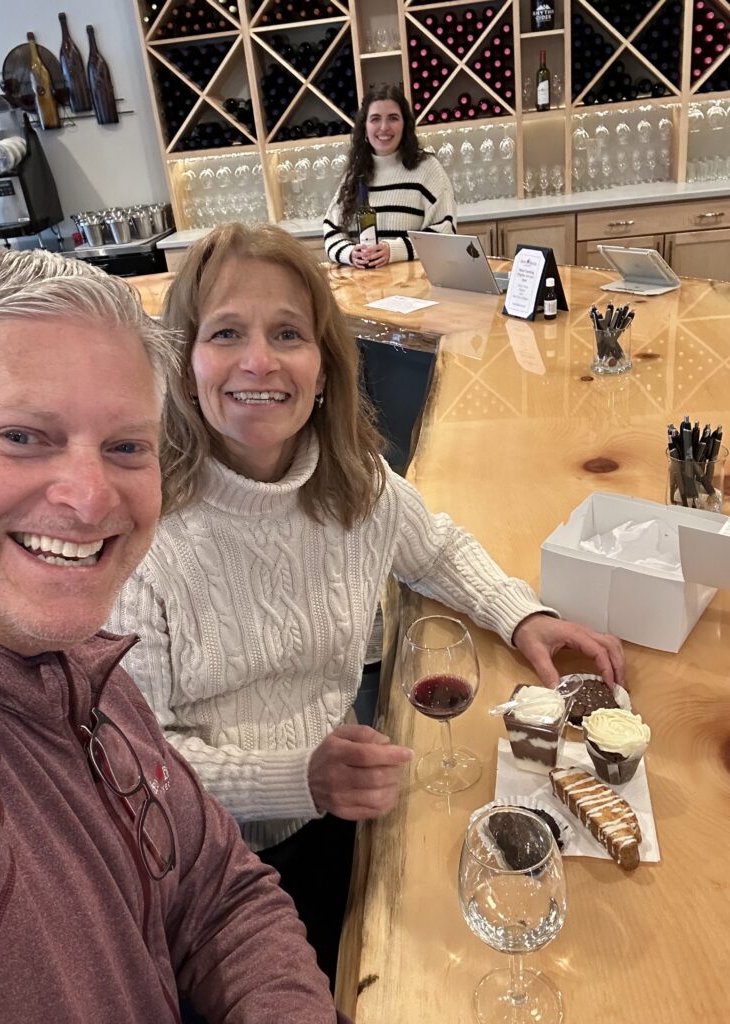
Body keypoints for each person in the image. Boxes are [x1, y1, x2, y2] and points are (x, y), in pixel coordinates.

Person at [108, 222, 625, 985]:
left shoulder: (352, 482)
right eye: (226, 333)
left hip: (347, 811)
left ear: (322, 368)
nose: (259, 360)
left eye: (288, 332)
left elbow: (438, 548)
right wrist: (299, 780)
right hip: (214, 866)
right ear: (185, 369)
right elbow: (139, 762)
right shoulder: (142, 537)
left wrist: (525, 615)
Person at [0, 247, 349, 1024]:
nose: (89, 496)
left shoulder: (82, 667)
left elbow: (215, 892)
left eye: (126, 446)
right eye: (21, 437)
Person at [323, 84, 455, 269]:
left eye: (393, 118)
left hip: (414, 289)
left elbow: (446, 232)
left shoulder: (428, 170)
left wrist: (395, 250)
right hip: (362, 290)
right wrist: (350, 254)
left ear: (405, 124)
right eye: (375, 119)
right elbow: (331, 230)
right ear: (365, 126)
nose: (384, 127)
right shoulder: (355, 173)